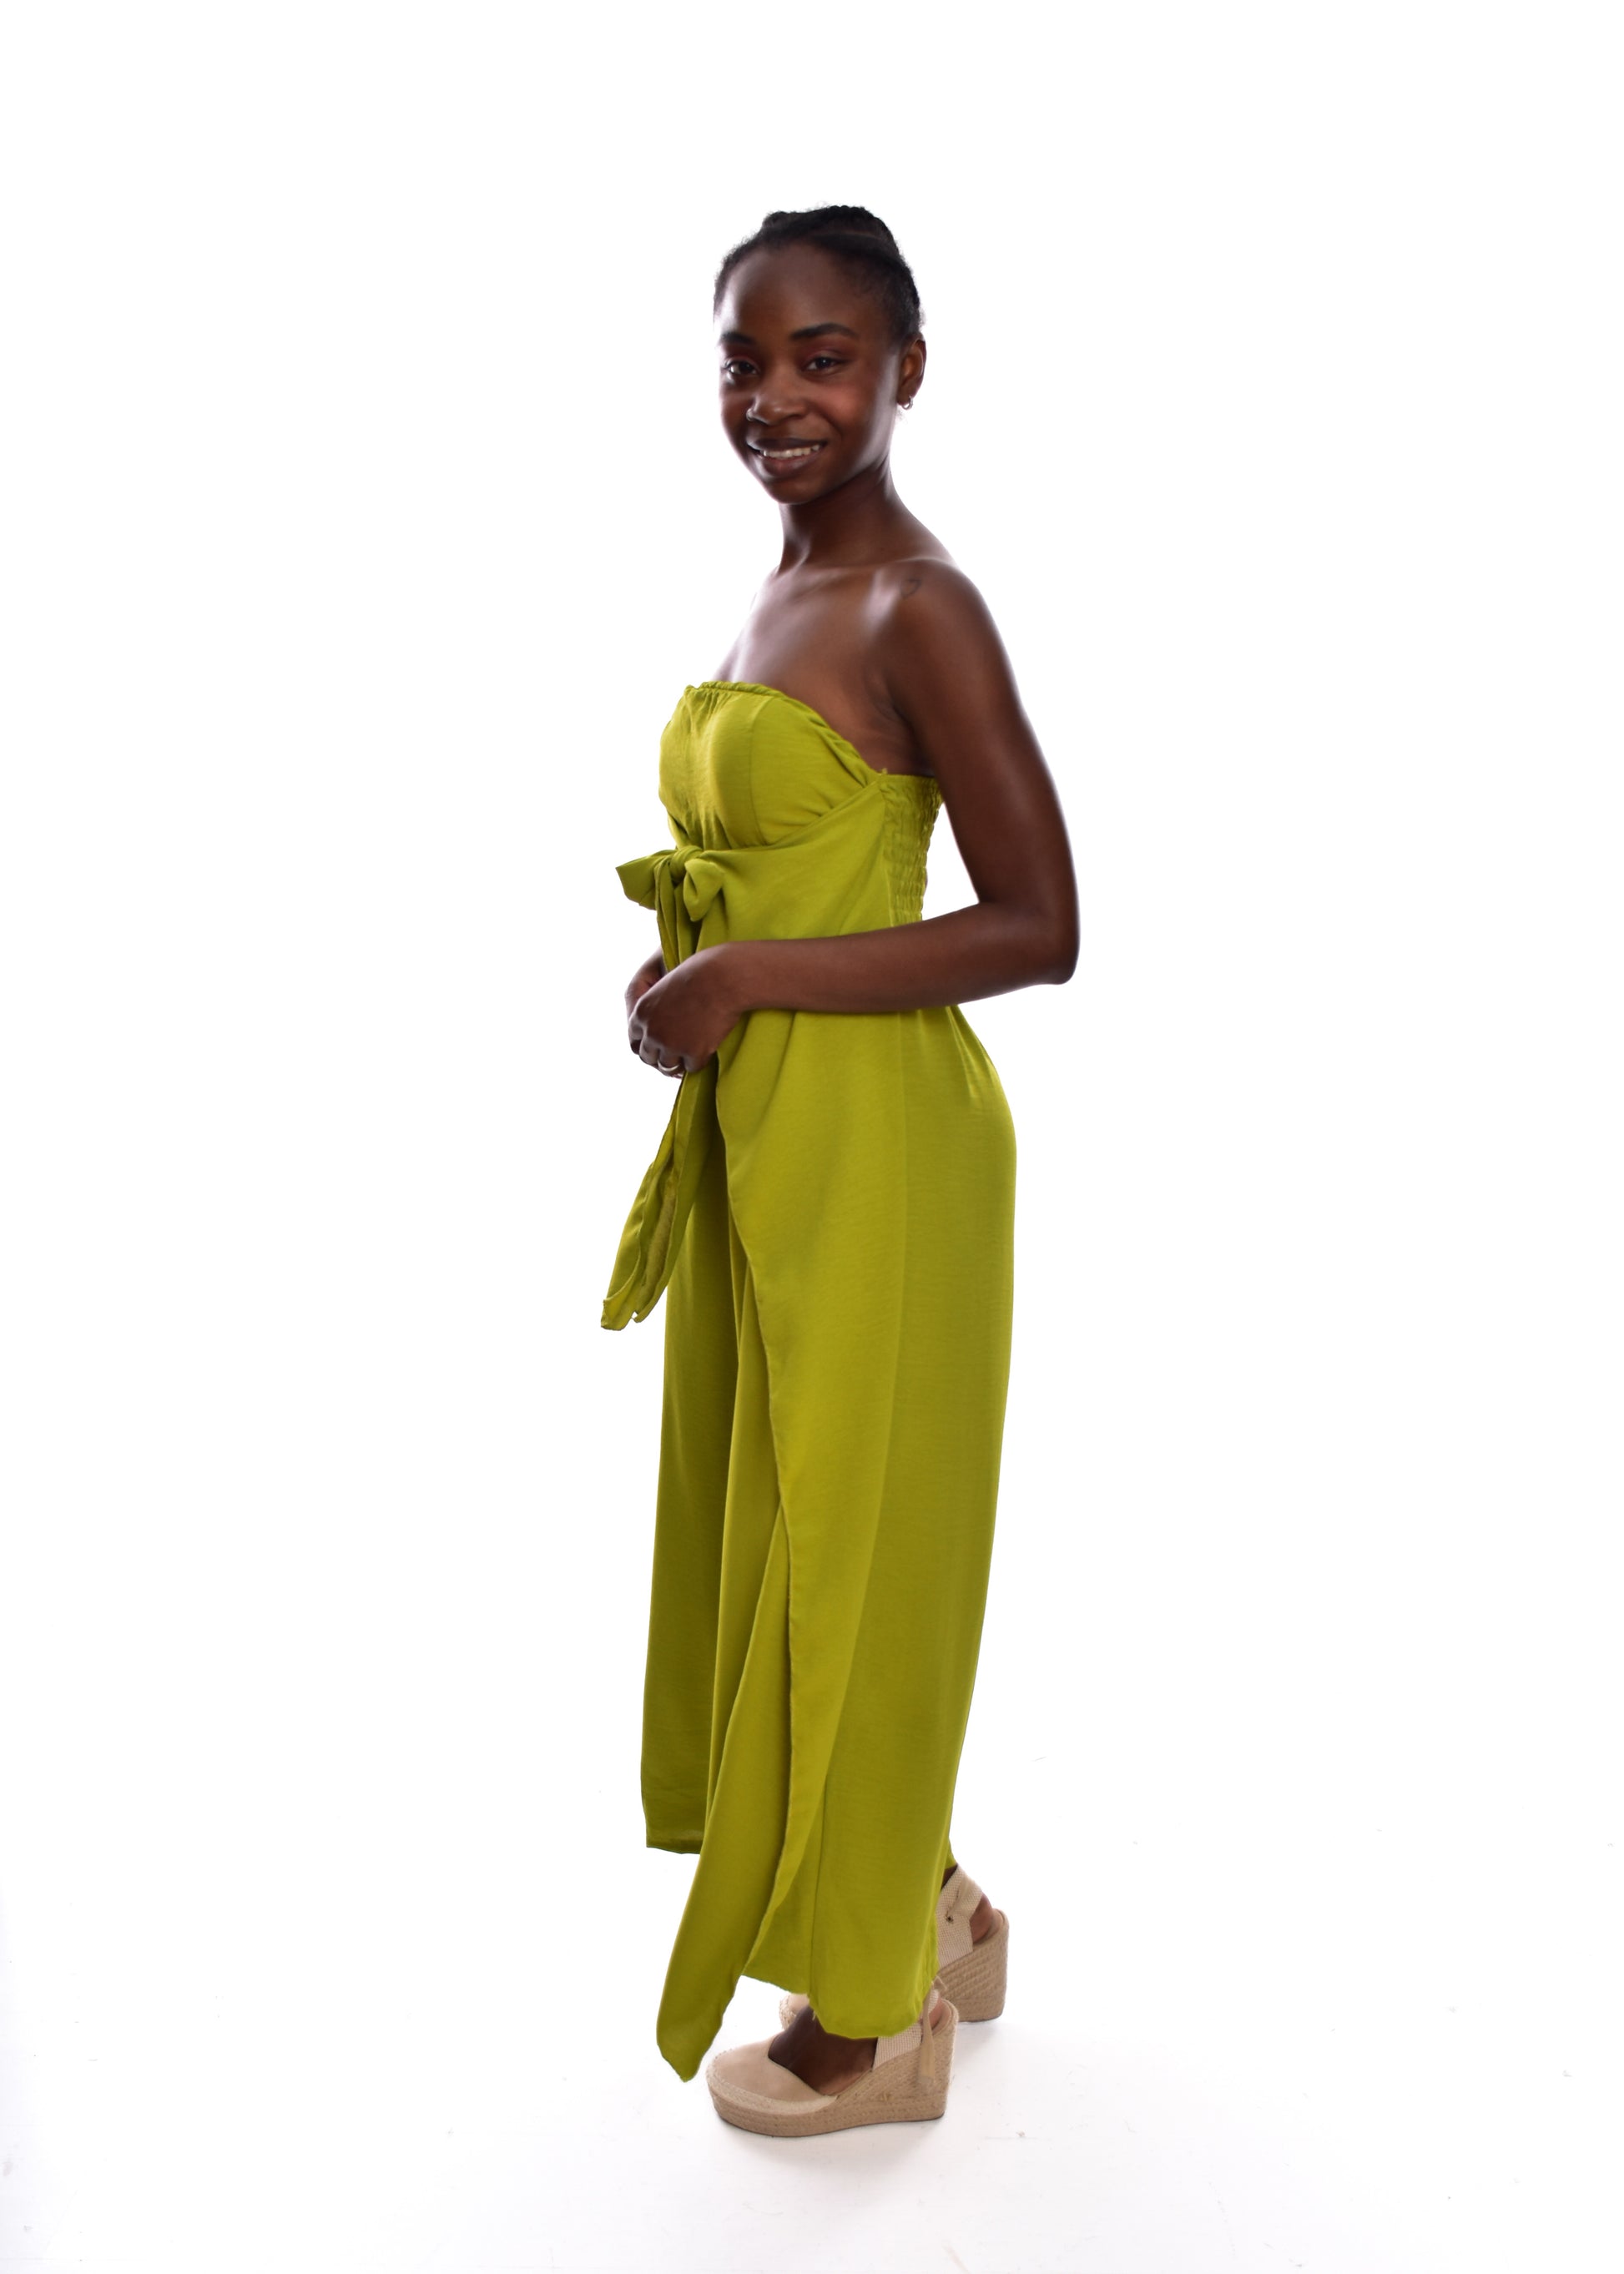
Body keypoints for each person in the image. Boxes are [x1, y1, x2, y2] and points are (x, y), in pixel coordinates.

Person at [600, 205, 1078, 2137]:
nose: (774, 396)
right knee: (789, 1543)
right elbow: (783, 868)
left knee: (861, 1554)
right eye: (745, 357)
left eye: (822, 357)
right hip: (765, 1141)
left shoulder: (914, 606)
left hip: (886, 1152)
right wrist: (690, 967)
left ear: (906, 371)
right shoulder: (780, 589)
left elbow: (1040, 922)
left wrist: (748, 977)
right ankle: (932, 1902)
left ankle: (879, 2024)